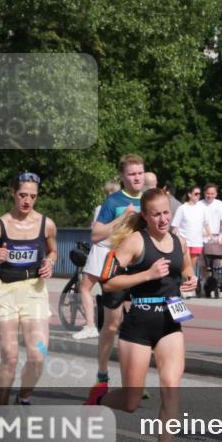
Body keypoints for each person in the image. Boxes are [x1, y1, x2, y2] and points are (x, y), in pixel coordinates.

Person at [84, 188, 198, 442]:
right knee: (132, 401)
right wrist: (145, 275)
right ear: (145, 216)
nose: (162, 219)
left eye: (166, 213)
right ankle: (99, 401)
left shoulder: (179, 241)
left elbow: (184, 266)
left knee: (171, 388)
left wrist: (189, 278)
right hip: (139, 324)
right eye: (156, 214)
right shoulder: (136, 242)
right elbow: (108, 282)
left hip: (171, 321)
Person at [0, 172, 58, 405]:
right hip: (5, 293)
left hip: (34, 291)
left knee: (39, 354)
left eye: (32, 196)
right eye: (22, 195)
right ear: (13, 193)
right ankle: (2, 406)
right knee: (10, 357)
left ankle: (23, 398)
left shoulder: (46, 224)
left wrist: (50, 263)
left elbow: (53, 251)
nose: (27, 201)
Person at [90, 154, 146, 386]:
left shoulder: (151, 198)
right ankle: (102, 373)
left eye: (140, 173)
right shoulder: (113, 201)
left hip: (142, 269)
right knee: (112, 325)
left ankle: (133, 380)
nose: (137, 178)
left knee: (140, 325)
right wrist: (122, 218)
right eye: (132, 174)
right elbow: (96, 235)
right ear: (123, 177)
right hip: (116, 268)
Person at [72, 179, 119, 340]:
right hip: (117, 252)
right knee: (112, 290)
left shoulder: (101, 208)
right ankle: (111, 325)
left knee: (85, 287)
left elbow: (96, 233)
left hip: (100, 250)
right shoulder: (126, 210)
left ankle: (91, 325)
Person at [170, 185, 208, 295]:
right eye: (196, 194)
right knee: (184, 266)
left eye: (199, 194)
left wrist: (210, 235)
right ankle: (183, 288)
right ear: (189, 194)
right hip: (184, 242)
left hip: (196, 242)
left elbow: (206, 224)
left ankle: (188, 289)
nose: (198, 196)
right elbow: (175, 226)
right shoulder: (182, 208)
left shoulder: (201, 208)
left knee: (191, 267)